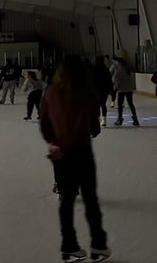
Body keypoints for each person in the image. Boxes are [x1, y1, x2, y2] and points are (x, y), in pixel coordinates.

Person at [39, 56, 111, 263]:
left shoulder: (50, 93)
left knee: (67, 200)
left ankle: (69, 246)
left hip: (61, 153)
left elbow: (44, 123)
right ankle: (99, 245)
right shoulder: (88, 94)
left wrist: (53, 142)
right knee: (90, 199)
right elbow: (94, 125)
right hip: (82, 151)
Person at [113, 58, 139, 126]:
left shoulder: (119, 71)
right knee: (130, 103)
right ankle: (135, 118)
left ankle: (120, 118)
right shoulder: (128, 70)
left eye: (116, 62)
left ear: (119, 63)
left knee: (120, 105)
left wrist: (115, 89)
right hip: (129, 89)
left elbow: (117, 81)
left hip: (122, 90)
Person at [91, 57, 113, 127]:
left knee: (97, 105)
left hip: (96, 90)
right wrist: (111, 89)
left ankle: (97, 119)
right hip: (104, 90)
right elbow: (109, 80)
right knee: (103, 104)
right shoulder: (105, 69)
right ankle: (104, 119)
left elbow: (91, 80)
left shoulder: (94, 69)